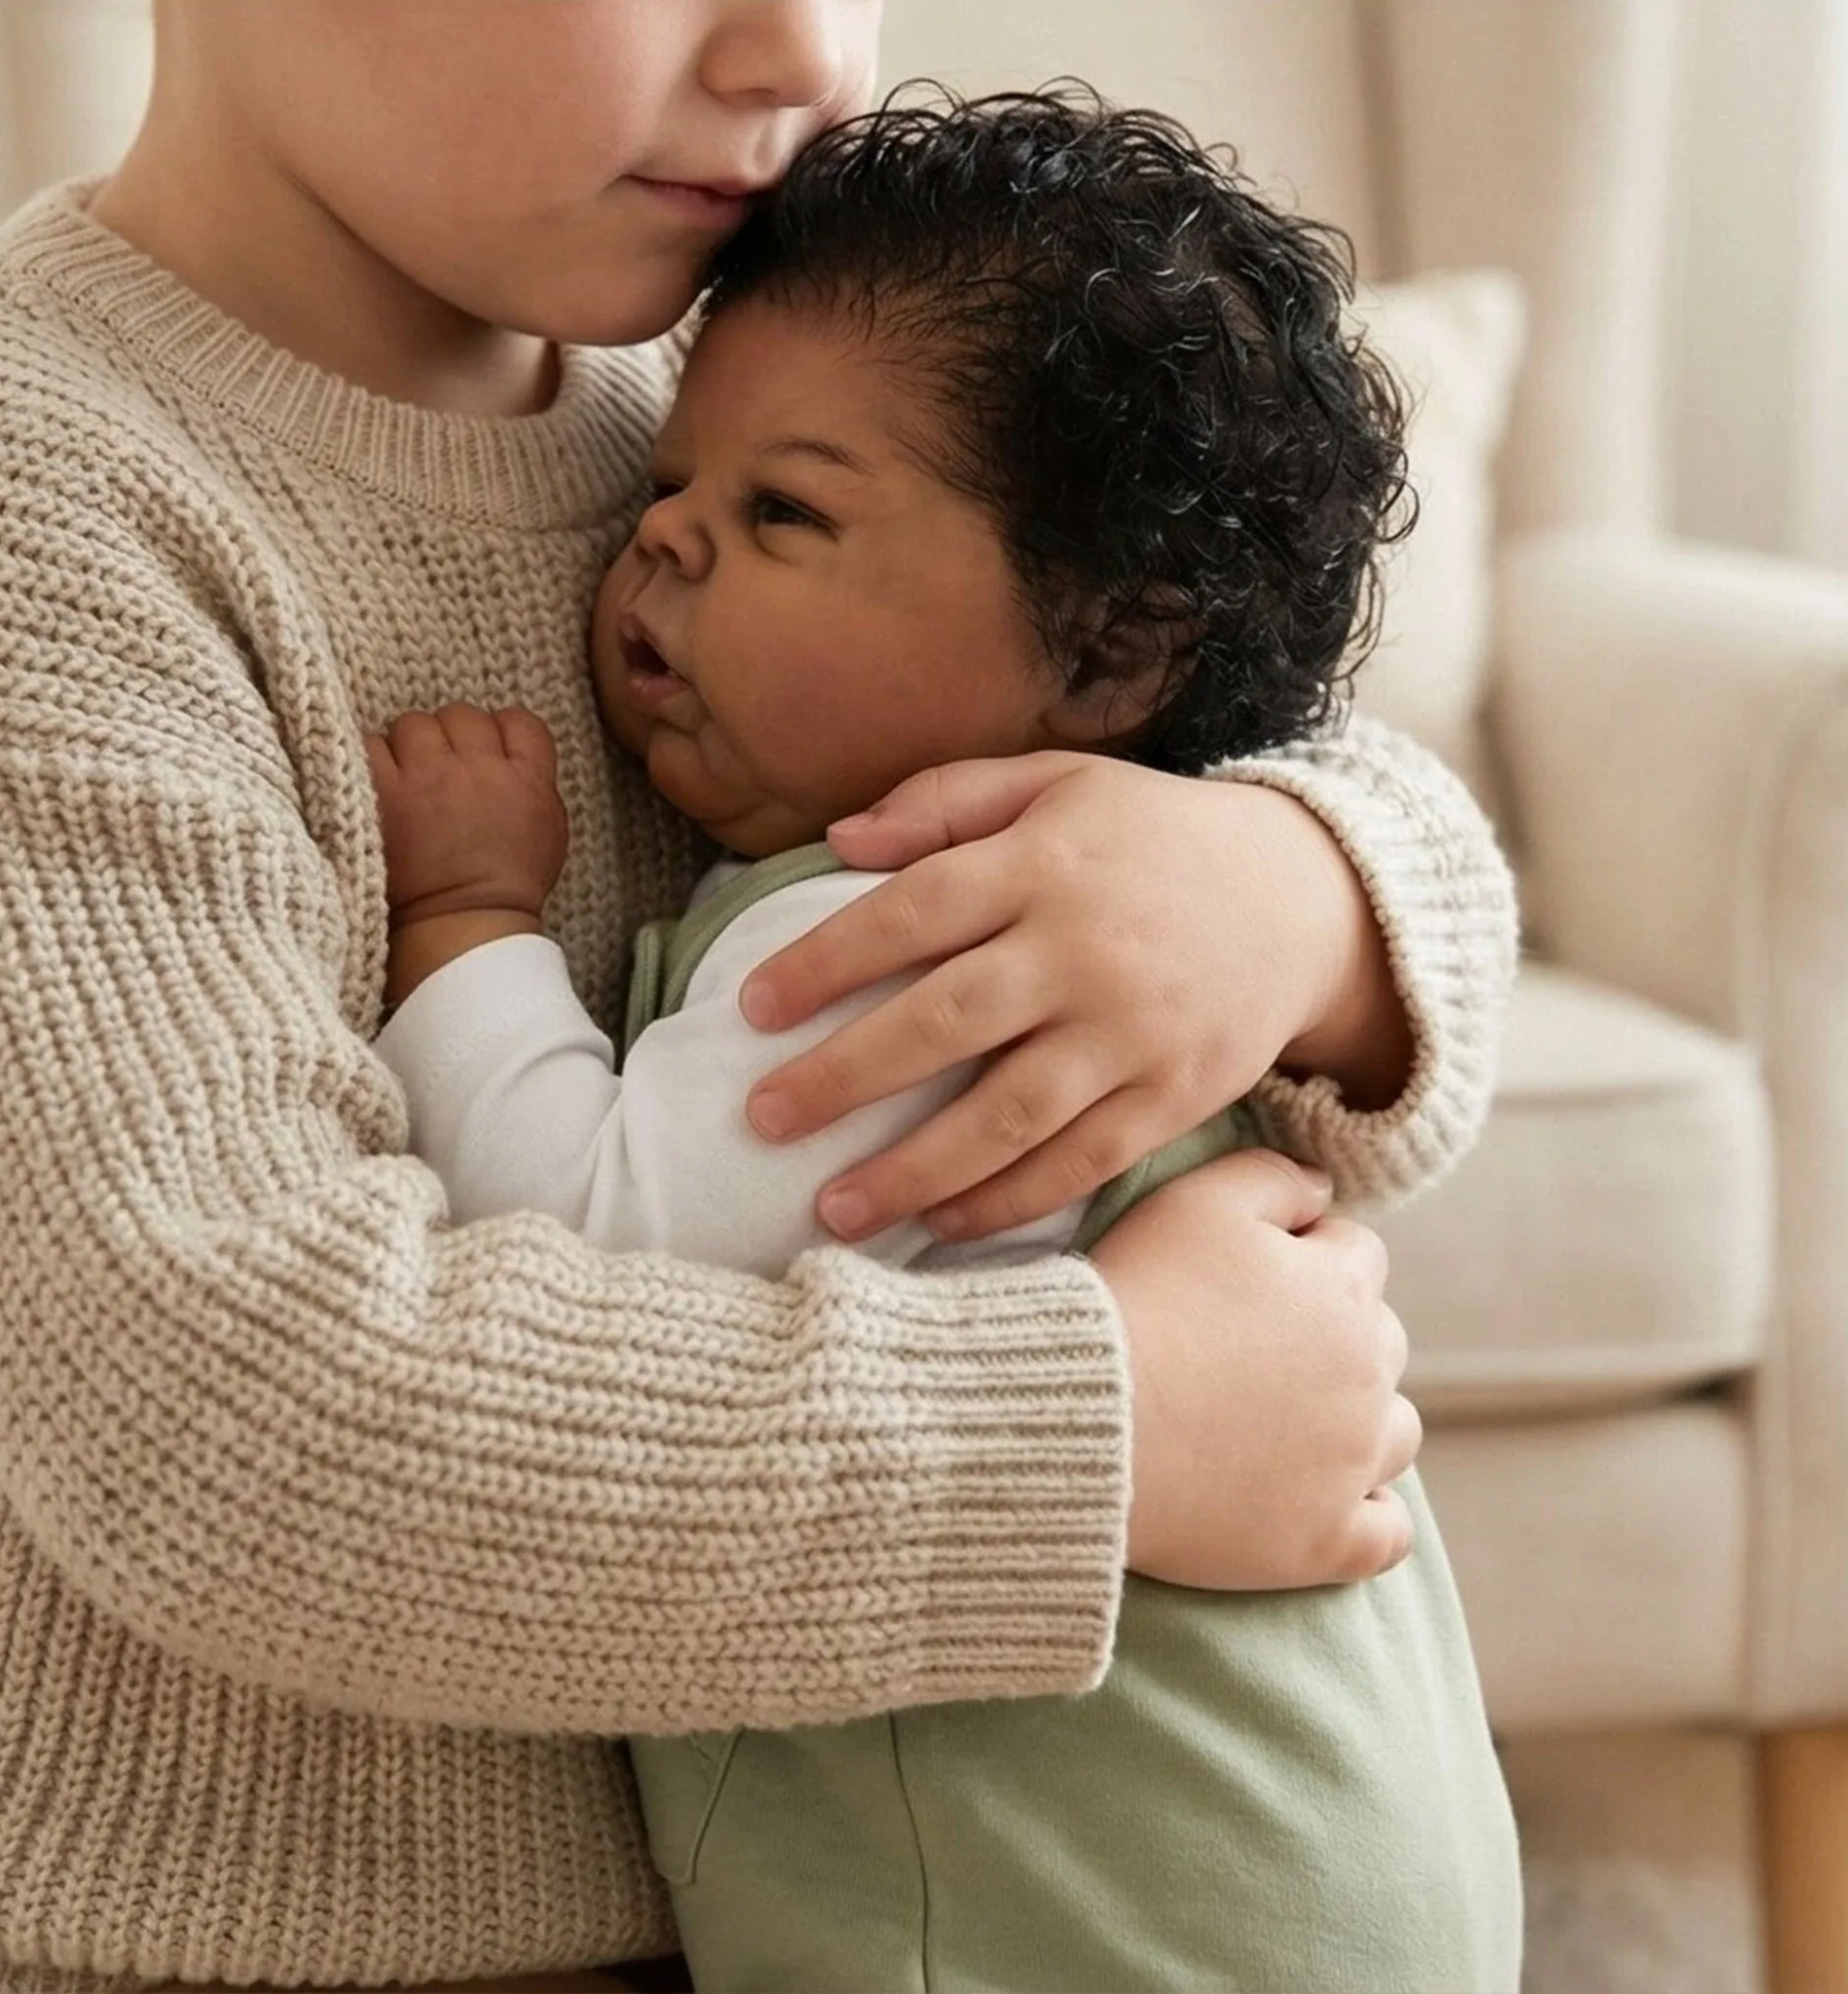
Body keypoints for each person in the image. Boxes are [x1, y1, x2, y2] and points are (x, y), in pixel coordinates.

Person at [0, 7, 1514, 1991]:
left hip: (795, 1911)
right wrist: (1102, 1437)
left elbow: (1300, 731)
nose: (798, 52)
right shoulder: (16, 528)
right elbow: (230, 1425)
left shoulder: (719, 372)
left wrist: (1299, 891)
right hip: (194, 1943)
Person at [367, 90, 1521, 1994]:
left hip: (1081, 1917)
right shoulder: (1133, 888)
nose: (661, 553)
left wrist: (466, 924)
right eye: (668, 495)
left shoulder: (899, 934)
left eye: (780, 513)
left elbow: (570, 1228)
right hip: (1321, 1859)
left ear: (1103, 657)